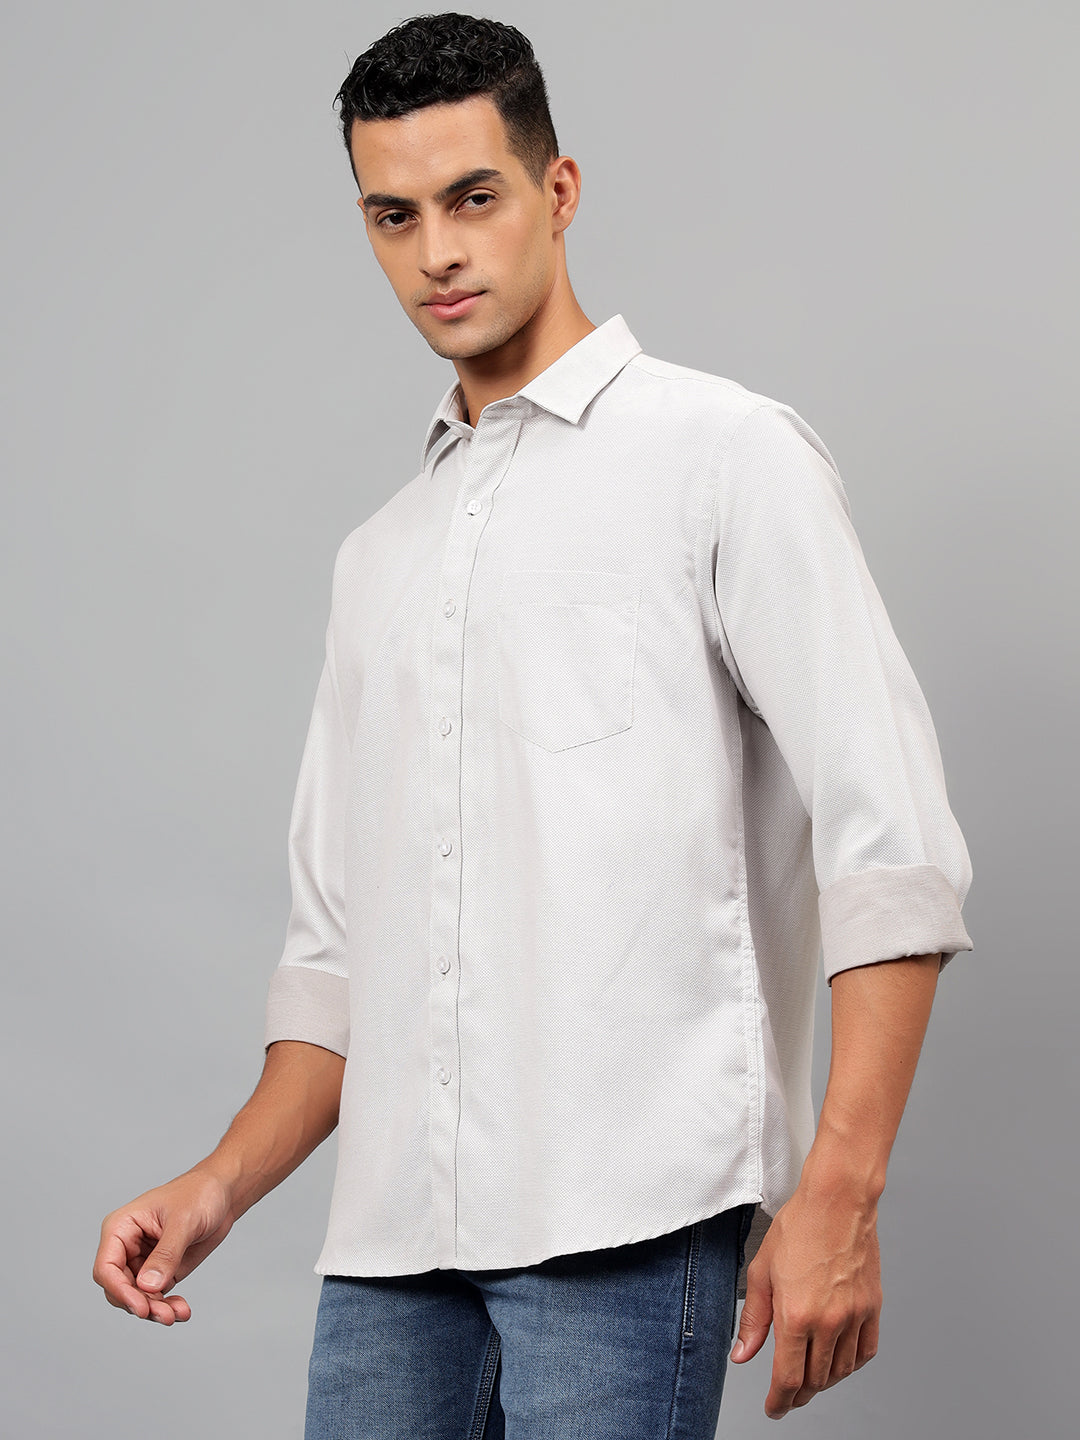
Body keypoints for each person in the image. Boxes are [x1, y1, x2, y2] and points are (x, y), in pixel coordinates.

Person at [93, 12, 974, 1436]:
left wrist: (842, 1189)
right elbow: (336, 970)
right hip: (390, 1257)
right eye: (393, 216)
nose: (436, 252)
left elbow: (896, 851)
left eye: (472, 198)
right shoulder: (377, 561)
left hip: (630, 1223)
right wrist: (219, 1185)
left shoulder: (726, 459)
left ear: (558, 191)